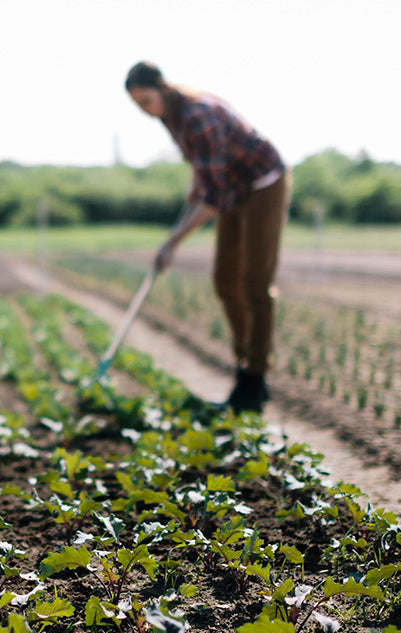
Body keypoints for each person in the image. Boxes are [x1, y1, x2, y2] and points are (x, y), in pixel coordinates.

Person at [125, 61, 290, 414]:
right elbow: (205, 165)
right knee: (225, 282)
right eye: (137, 104)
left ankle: (254, 380)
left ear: (163, 88)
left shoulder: (198, 113)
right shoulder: (169, 115)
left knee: (255, 283)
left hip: (263, 184)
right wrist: (195, 183)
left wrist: (172, 242)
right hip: (231, 187)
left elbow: (213, 200)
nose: (144, 110)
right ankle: (244, 364)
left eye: (145, 101)